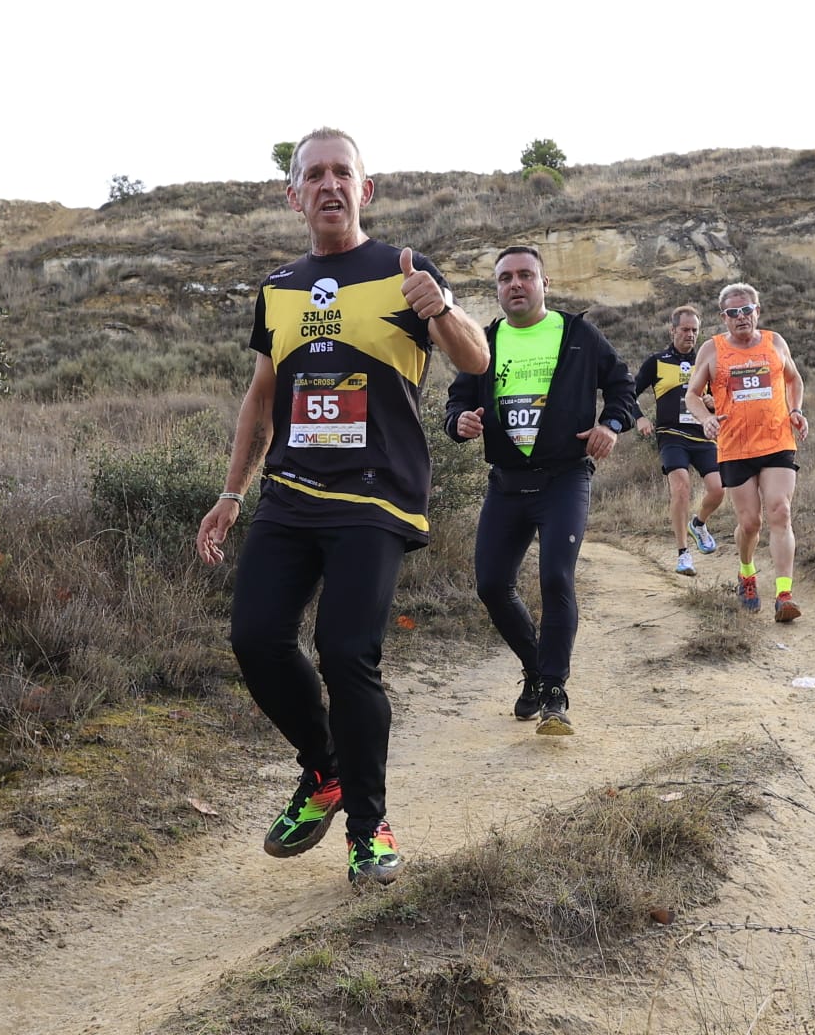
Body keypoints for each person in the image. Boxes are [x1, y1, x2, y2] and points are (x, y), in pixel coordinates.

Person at [196, 127, 489, 885]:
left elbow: (476, 359)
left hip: (374, 496)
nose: (329, 185)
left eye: (342, 173)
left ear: (367, 189)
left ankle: (369, 827)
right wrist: (232, 493)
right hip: (290, 494)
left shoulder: (403, 272)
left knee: (347, 653)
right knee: (256, 639)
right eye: (313, 175)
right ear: (294, 195)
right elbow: (261, 400)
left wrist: (443, 306)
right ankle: (323, 772)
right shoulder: (280, 287)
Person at [443, 246, 638, 736]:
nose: (515, 284)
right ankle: (534, 669)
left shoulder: (577, 334)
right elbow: (457, 399)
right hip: (506, 484)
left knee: (555, 578)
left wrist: (611, 424)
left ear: (544, 283)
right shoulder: (483, 341)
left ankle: (554, 690)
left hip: (564, 478)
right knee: (491, 585)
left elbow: (623, 388)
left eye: (525, 275)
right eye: (505, 277)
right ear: (497, 288)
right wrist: (457, 421)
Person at [686, 282, 809, 623]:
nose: (741, 317)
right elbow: (692, 395)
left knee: (780, 511)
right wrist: (706, 419)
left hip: (777, 441)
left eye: (746, 310)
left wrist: (796, 410)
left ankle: (784, 594)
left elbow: (794, 379)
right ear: (722, 317)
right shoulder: (712, 350)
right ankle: (747, 572)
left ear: (758, 311)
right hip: (735, 446)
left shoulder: (775, 342)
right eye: (732, 313)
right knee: (750, 523)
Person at [634, 305, 725, 577]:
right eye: (685, 329)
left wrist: (713, 401)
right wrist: (639, 418)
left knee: (718, 489)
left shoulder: (706, 361)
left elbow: (725, 400)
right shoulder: (657, 361)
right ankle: (683, 554)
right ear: (672, 330)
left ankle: (698, 524)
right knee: (681, 487)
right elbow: (628, 393)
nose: (690, 335)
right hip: (671, 435)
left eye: (695, 330)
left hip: (703, 435)